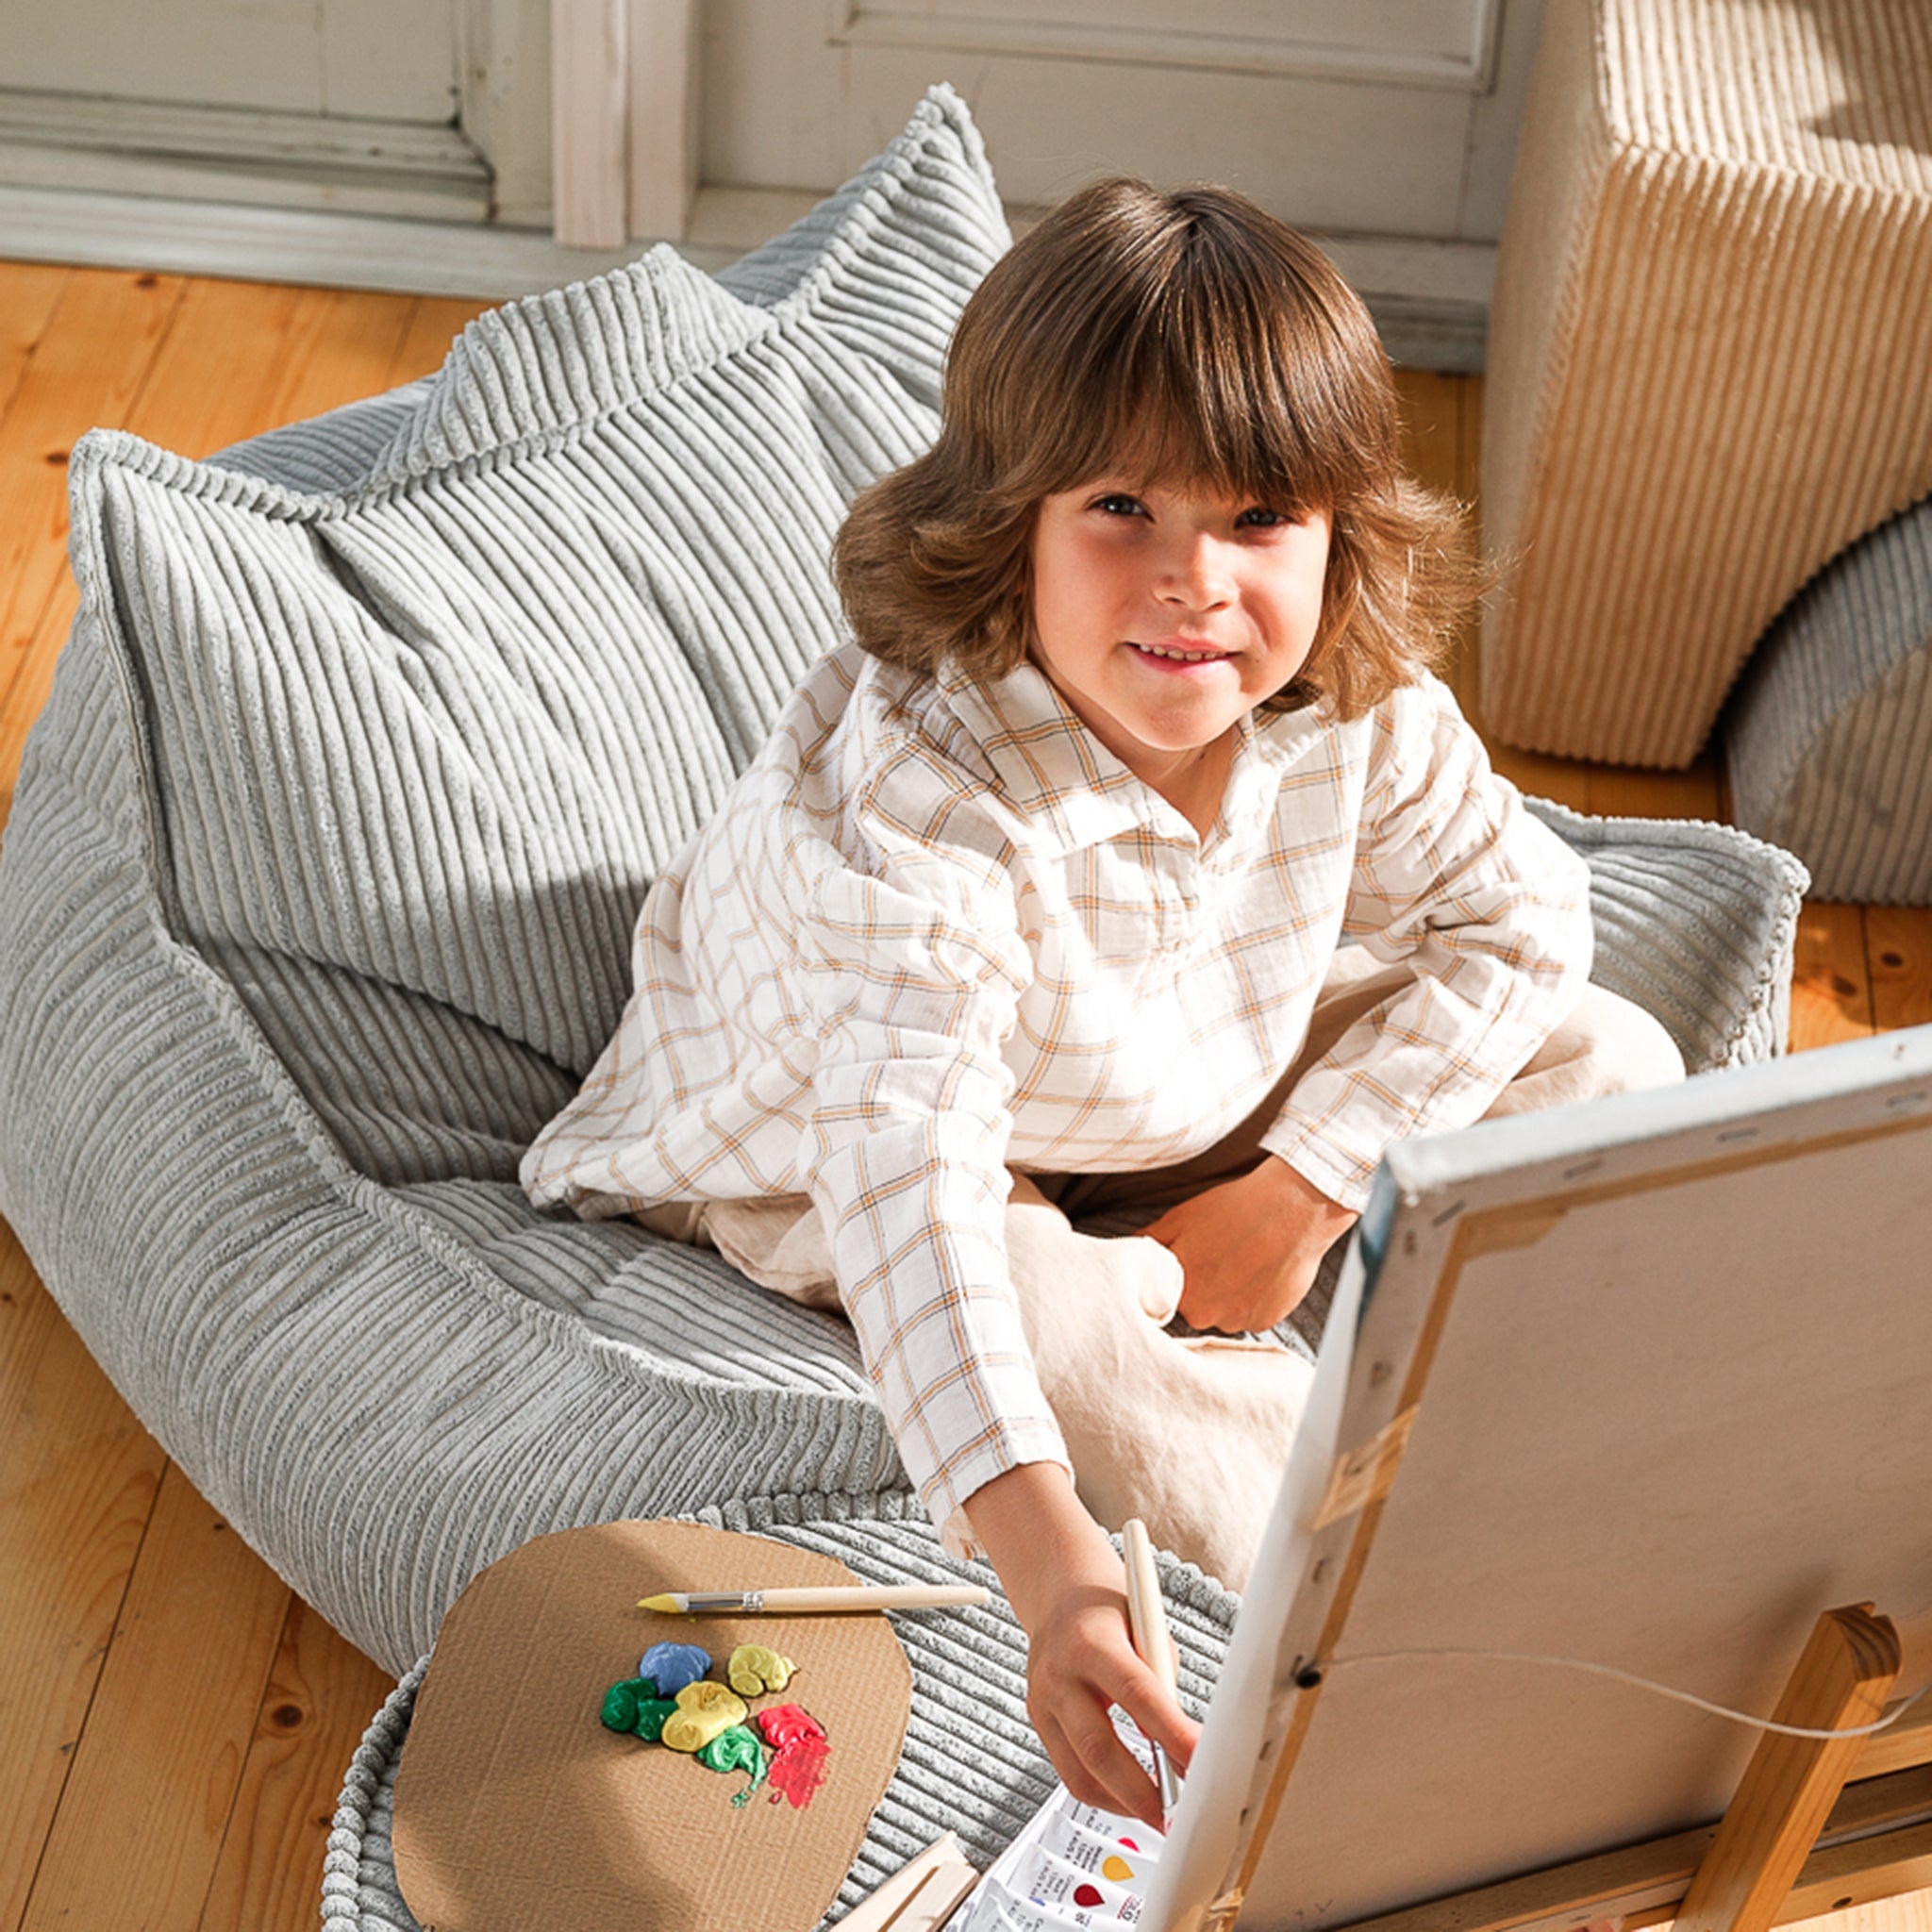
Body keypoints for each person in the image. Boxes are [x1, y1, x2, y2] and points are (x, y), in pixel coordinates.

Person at [522, 176, 1684, 1828]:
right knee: (1050, 1323)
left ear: (1341, 533)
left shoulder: (1352, 704)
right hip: (879, 1132)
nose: (1197, 582)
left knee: (1611, 1056)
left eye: (1261, 519)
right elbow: (908, 1180)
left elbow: (1522, 916)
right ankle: (1414, 1574)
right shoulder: (921, 798)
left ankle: (1525, 1412)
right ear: (1012, 525)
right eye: (1124, 510)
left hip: (1170, 1077)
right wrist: (1056, 1571)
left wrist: (1310, 1183)